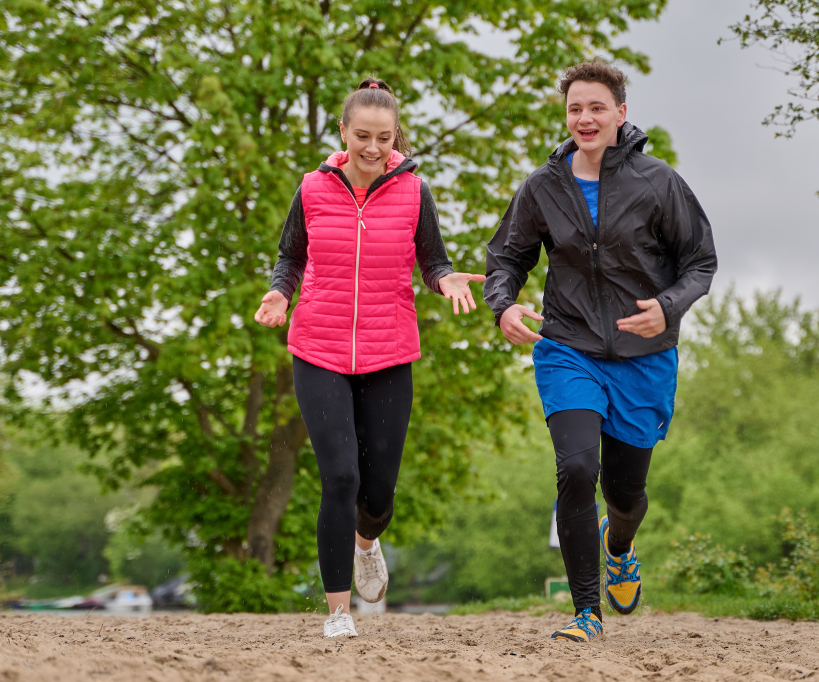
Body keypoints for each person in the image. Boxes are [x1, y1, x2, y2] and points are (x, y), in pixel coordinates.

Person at [484, 62, 717, 643]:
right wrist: (504, 304)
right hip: (569, 347)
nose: (584, 118)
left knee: (625, 493)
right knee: (576, 468)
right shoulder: (544, 186)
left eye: (596, 107)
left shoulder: (658, 181)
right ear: (566, 116)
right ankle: (587, 611)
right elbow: (508, 259)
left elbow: (700, 263)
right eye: (574, 109)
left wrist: (668, 305)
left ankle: (621, 544)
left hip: (643, 355)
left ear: (621, 112)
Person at [255, 78, 485, 639]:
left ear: (395, 137)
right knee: (339, 476)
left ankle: (367, 542)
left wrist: (445, 277)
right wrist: (280, 293)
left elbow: (433, 260)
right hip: (319, 349)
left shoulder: (413, 191)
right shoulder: (312, 188)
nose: (374, 148)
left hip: (388, 352)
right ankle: (338, 613)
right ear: (343, 132)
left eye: (384, 138)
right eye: (363, 136)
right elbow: (291, 256)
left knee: (377, 492)